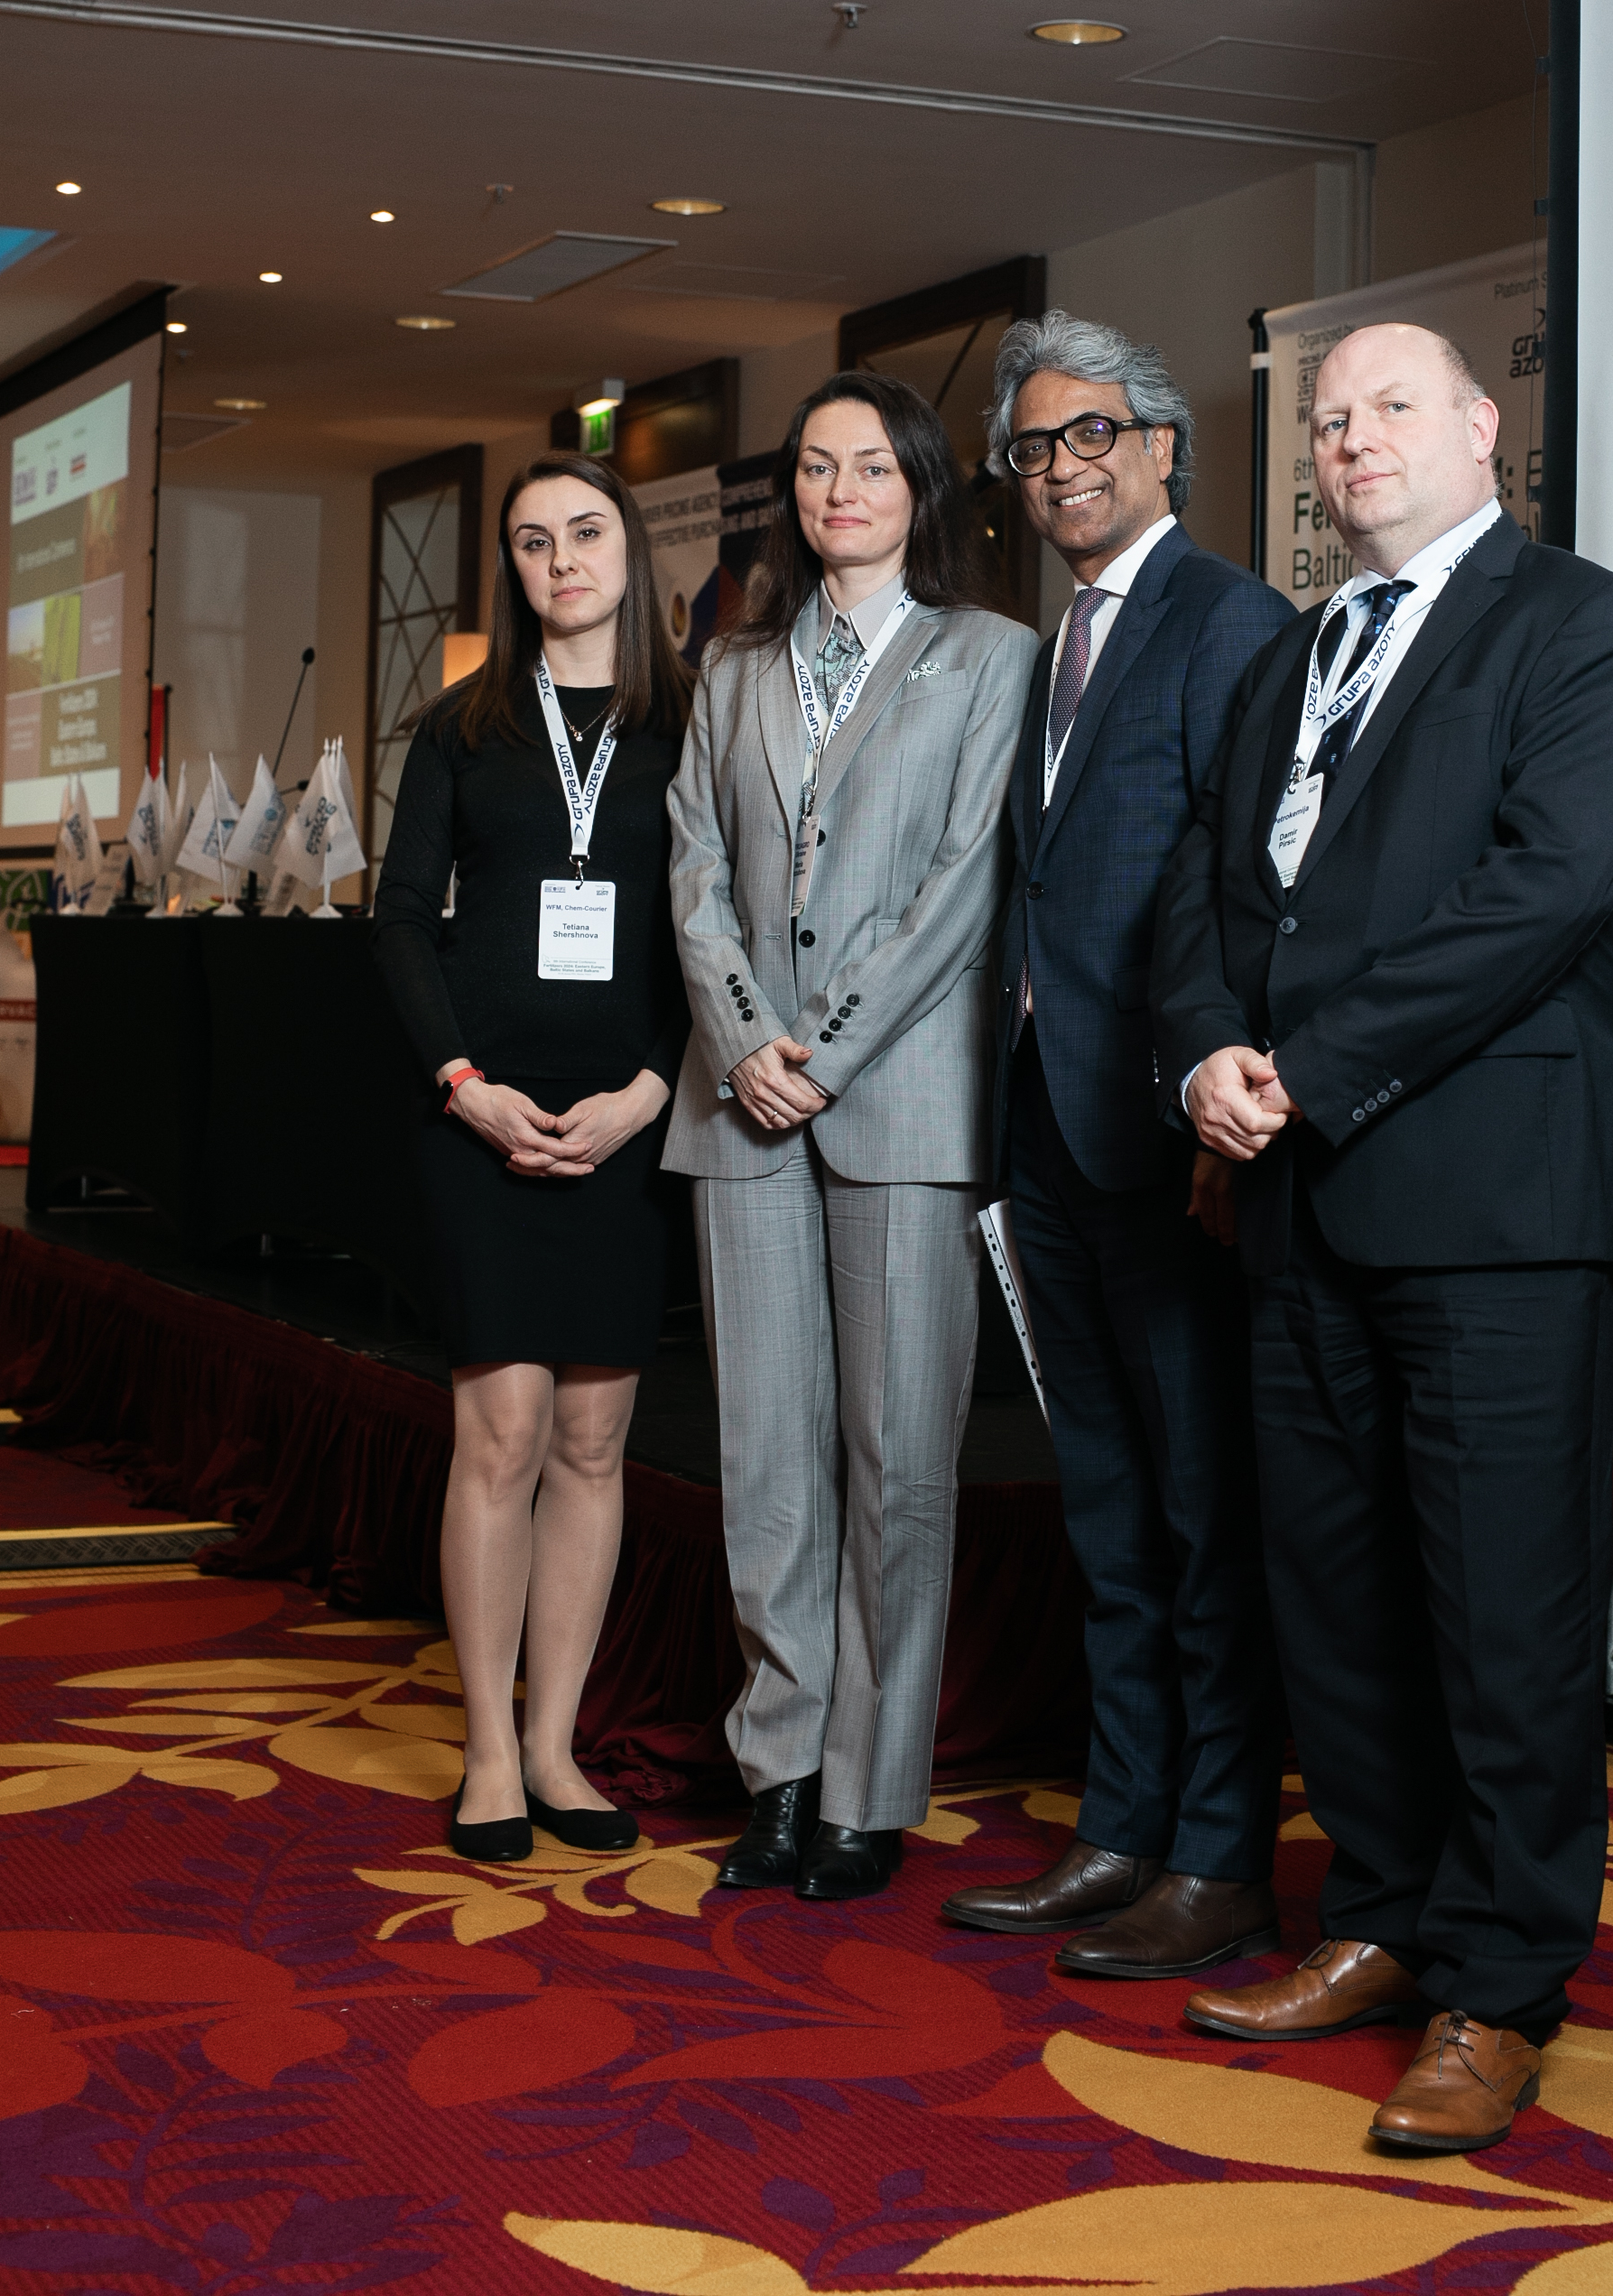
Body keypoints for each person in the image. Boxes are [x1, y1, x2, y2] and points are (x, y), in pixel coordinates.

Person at [1153, 321, 1613, 2155]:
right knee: (1340, 1599)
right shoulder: (1291, 656)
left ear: (1480, 426)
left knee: (1503, 1612)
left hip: (1492, 1203)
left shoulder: (1588, 626)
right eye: (1326, 420)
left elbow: (1542, 894)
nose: (1351, 439)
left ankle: (1501, 1986)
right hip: (1299, 1199)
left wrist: (1306, 1069)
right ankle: (1378, 1921)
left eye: (1388, 408)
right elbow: (1214, 889)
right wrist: (1206, 1052)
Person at [938, 312, 1294, 1977]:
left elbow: (1244, 880)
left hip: (1168, 1140)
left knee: (1204, 1513)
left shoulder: (1233, 621)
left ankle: (1221, 1859)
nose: (1061, 467)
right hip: (1042, 1131)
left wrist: (1217, 1111)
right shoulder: (1046, 647)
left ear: (1162, 444)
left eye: (1091, 434)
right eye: (1033, 447)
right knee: (1107, 1506)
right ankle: (1123, 1826)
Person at [666, 369, 1036, 1903]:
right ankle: (781, 1770)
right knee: (765, 1457)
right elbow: (693, 864)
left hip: (904, 1099)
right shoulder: (736, 667)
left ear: (922, 487)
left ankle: (869, 1792)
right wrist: (746, 1038)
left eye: (872, 466)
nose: (841, 492)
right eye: (817, 468)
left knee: (898, 1463)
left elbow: (966, 883)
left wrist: (826, 1046)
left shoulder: (992, 656)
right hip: (740, 1101)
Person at [374, 452, 691, 1866]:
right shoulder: (463, 727)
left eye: (586, 532)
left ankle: (558, 1743)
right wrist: (462, 1088)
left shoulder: (694, 720)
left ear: (631, 549)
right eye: (533, 540)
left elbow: (724, 925)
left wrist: (653, 1092)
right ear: (511, 567)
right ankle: (491, 1753)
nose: (562, 560)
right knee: (500, 1434)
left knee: (593, 1440)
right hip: (481, 1112)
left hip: (629, 1116)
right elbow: (400, 917)